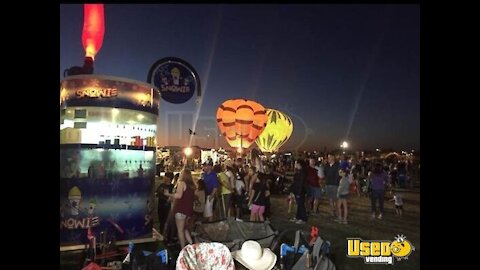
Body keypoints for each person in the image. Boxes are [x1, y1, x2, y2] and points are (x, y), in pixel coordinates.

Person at [164, 169, 196, 248]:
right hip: (188, 210)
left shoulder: (182, 183)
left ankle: (183, 249)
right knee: (184, 229)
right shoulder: (191, 186)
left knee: (180, 230)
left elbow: (178, 195)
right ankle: (192, 245)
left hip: (180, 209)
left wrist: (168, 194)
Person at [289, 160, 308, 224]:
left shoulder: (303, 173)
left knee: (301, 205)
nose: (295, 164)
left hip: (301, 191)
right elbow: (295, 182)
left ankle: (303, 218)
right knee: (299, 204)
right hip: (297, 190)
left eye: (296, 163)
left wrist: (299, 193)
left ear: (299, 164)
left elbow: (301, 183)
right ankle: (298, 217)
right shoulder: (298, 172)